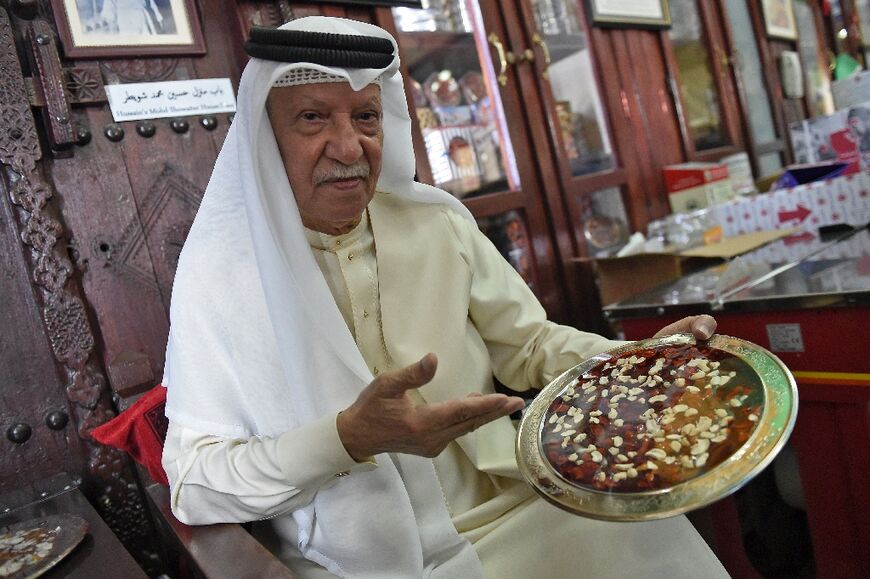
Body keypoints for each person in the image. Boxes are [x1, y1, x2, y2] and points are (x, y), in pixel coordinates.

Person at [162, 16, 728, 578]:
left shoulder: (437, 223)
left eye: (365, 117)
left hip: (515, 504)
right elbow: (195, 484)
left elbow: (530, 345)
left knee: (655, 536)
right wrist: (346, 439)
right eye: (312, 118)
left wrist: (635, 362)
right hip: (356, 559)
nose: (348, 146)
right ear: (267, 134)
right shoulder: (222, 276)